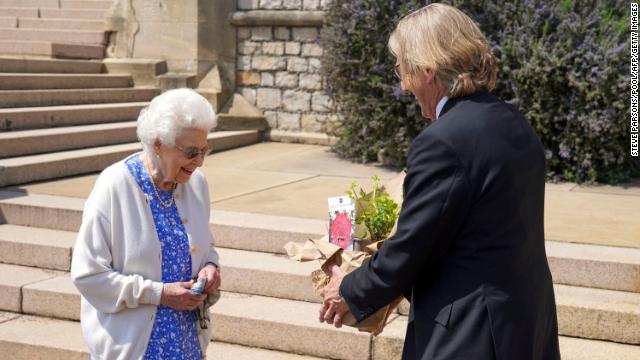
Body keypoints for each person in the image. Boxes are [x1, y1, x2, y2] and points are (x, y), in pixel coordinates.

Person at [319, 4, 561, 359]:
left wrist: (349, 288)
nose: (402, 84)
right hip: (524, 322)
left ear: (428, 70)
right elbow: (469, 234)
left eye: (403, 69)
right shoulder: (514, 122)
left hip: (472, 334)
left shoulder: (443, 141)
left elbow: (412, 246)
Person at [71, 88, 222, 359]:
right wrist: (159, 293)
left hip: (188, 346)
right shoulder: (115, 185)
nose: (198, 162)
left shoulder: (196, 184)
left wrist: (210, 267)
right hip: (132, 349)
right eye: (190, 152)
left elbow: (205, 245)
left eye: (204, 150)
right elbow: (88, 275)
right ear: (158, 144)